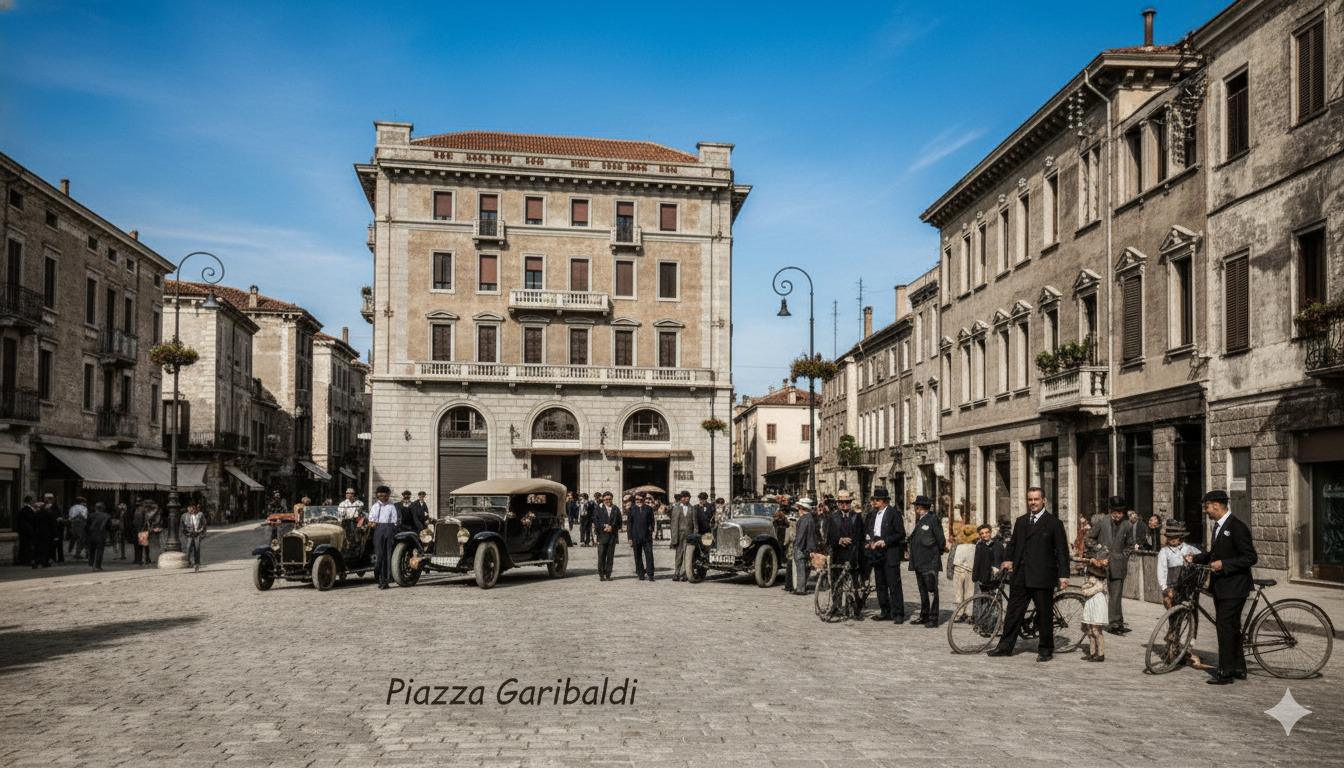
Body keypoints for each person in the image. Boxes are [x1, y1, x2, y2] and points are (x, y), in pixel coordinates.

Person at [987, 487, 1071, 662]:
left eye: (1036, 499)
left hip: (1042, 576)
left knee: (1044, 614)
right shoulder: (1021, 521)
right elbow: (1013, 544)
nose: (1033, 503)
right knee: (1013, 612)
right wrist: (1008, 559)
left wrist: (1064, 575)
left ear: (1043, 501)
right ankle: (1005, 647)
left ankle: (1046, 649)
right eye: (1030, 500)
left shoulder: (1054, 523)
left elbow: (1062, 551)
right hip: (1021, 575)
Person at [1187, 490, 1258, 684]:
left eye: (1207, 507)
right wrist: (1197, 557)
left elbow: (1250, 557)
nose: (1206, 511)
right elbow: (1216, 553)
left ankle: (1225, 672)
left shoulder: (1236, 527)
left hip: (1234, 587)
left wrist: (1224, 565)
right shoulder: (1219, 526)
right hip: (1223, 587)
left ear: (1216, 505)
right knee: (1232, 628)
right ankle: (1238, 668)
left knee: (1225, 628)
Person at [1087, 496, 1135, 635]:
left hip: (1118, 565)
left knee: (1116, 596)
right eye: (1114, 512)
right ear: (1110, 511)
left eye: (1120, 513)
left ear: (1124, 512)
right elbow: (1089, 539)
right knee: (1097, 594)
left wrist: (1123, 556)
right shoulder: (1102, 522)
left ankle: (1115, 623)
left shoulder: (1128, 525)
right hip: (1100, 565)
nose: (1117, 515)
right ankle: (1095, 621)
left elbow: (1130, 545)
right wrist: (1099, 551)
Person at [863, 487, 907, 623]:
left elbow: (901, 534)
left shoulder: (894, 513)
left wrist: (885, 541)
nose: (875, 502)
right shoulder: (872, 514)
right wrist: (869, 541)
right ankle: (885, 611)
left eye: (877, 500)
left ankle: (898, 613)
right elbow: (869, 530)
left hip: (890, 552)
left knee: (893, 584)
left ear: (884, 501)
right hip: (876, 553)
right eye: (874, 499)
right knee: (880, 583)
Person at [826, 490, 867, 619]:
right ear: (838, 504)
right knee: (837, 581)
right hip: (838, 554)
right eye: (842, 502)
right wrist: (839, 540)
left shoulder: (857, 517)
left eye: (847, 502)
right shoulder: (833, 517)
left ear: (850, 503)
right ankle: (836, 606)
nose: (845, 505)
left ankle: (857, 609)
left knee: (855, 583)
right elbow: (828, 537)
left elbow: (861, 536)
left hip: (853, 554)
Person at [907, 495, 946, 628]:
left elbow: (941, 540)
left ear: (921, 508)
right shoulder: (921, 520)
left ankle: (933, 618)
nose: (916, 508)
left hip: (929, 561)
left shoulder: (932, 519)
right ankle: (924, 615)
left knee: (931, 590)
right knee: (922, 590)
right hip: (919, 562)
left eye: (917, 506)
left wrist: (935, 553)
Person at [970, 523, 1004, 623]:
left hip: (996, 579)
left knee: (996, 602)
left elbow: (1004, 559)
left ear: (990, 532)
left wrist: (999, 569)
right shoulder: (979, 546)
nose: (985, 535)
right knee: (983, 602)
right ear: (980, 535)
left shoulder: (999, 545)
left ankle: (995, 626)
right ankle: (983, 625)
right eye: (982, 533)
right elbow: (977, 562)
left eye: (987, 532)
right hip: (983, 578)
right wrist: (975, 578)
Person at [1080, 548, 1109, 662]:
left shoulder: (1100, 585)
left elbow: (1088, 591)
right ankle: (1092, 652)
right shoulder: (1092, 581)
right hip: (1090, 603)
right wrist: (1086, 587)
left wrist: (1086, 588)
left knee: (1096, 630)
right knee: (1090, 630)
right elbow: (1085, 588)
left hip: (1097, 604)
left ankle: (1100, 654)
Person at [368, 486, 400, 589]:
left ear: (388, 495)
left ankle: (385, 580)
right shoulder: (374, 506)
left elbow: (395, 520)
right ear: (377, 495)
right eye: (380, 495)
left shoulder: (391, 506)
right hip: (378, 530)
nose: (382, 497)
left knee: (388, 554)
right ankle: (379, 577)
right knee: (380, 555)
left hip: (389, 529)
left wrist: (392, 528)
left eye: (385, 495)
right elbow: (371, 521)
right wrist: (371, 524)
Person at [946, 523, 978, 616]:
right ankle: (964, 613)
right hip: (963, 570)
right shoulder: (974, 544)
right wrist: (950, 571)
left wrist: (949, 571)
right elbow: (951, 557)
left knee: (962, 593)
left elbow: (951, 558)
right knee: (964, 593)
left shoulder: (975, 544)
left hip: (966, 570)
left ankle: (964, 613)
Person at [791, 498, 819, 595]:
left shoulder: (805, 519)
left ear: (802, 508)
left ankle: (800, 589)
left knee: (801, 568)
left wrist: (798, 546)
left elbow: (802, 535)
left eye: (799, 508)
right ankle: (801, 587)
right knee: (803, 568)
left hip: (802, 547)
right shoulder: (810, 518)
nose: (798, 510)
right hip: (806, 547)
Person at [593, 492, 622, 581]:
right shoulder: (598, 508)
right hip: (601, 536)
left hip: (612, 537)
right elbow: (595, 520)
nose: (608, 501)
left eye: (609, 499)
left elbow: (620, 523)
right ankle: (601, 575)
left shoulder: (616, 509)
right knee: (601, 556)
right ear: (603, 499)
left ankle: (608, 575)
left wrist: (612, 527)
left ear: (612, 499)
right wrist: (604, 526)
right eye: (606, 499)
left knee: (610, 557)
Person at [628, 493, 656, 581]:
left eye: (641, 499)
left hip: (647, 537)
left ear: (644, 500)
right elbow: (629, 525)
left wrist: (651, 530)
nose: (639, 501)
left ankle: (650, 574)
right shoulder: (632, 509)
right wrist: (630, 538)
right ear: (635, 500)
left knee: (649, 555)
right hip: (635, 536)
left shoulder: (649, 509)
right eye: (637, 500)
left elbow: (652, 522)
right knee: (637, 556)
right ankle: (640, 574)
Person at [669, 491, 695, 582]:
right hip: (679, 535)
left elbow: (695, 523)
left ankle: (684, 573)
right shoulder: (676, 508)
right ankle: (676, 572)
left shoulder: (692, 508)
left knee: (687, 555)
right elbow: (673, 524)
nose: (687, 499)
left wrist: (695, 534)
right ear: (681, 498)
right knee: (679, 554)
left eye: (688, 497)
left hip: (689, 535)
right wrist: (674, 538)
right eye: (685, 497)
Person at [84, 502, 111, 571]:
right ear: (103, 508)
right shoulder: (107, 516)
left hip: (91, 535)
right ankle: (97, 565)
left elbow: (86, 526)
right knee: (100, 551)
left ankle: (91, 563)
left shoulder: (90, 515)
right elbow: (109, 527)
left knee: (92, 550)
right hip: (101, 535)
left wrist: (86, 536)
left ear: (95, 508)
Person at [182, 503, 208, 571]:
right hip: (190, 534)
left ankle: (197, 564)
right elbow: (182, 526)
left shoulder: (200, 514)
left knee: (197, 549)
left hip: (197, 534)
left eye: (191, 510)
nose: (190, 512)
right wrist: (186, 533)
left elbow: (204, 524)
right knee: (188, 548)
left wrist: (202, 532)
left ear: (194, 509)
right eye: (189, 510)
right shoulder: (185, 516)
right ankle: (188, 562)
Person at [16, 495, 37, 567]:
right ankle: (26, 560)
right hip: (28, 531)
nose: (32, 502)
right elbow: (31, 519)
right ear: (29, 501)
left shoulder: (23, 509)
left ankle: (23, 560)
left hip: (23, 531)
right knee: (27, 546)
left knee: (24, 546)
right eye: (31, 500)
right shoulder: (27, 509)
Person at [132, 500, 153, 566]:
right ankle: (146, 560)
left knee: (141, 546)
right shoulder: (143, 511)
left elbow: (136, 521)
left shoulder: (137, 510)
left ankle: (141, 560)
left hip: (140, 530)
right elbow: (145, 521)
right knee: (145, 546)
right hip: (143, 530)